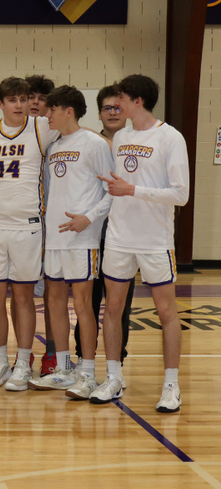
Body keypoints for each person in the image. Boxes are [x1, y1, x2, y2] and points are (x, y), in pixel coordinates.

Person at [91, 75, 189, 413]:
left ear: (138, 101)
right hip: (119, 237)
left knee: (166, 312)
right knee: (113, 310)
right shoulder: (120, 137)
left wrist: (133, 190)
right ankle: (114, 377)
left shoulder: (170, 137)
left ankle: (171, 386)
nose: (117, 104)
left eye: (121, 98)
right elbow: (116, 186)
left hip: (154, 240)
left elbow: (181, 194)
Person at [27, 86, 113, 398]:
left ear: (68, 111)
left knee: (83, 305)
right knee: (53, 302)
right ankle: (64, 369)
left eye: (51, 110)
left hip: (83, 238)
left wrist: (88, 218)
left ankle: (87, 373)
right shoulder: (53, 147)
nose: (46, 115)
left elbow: (111, 192)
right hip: (55, 239)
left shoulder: (94, 144)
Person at [0, 77, 59, 392]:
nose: (18, 105)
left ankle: (23, 362)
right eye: (11, 99)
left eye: (23, 99)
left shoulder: (41, 127)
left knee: (24, 296)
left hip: (27, 224)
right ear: (0, 103)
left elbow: (77, 130)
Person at [75, 86, 136, 371]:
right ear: (99, 112)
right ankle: (82, 358)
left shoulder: (137, 143)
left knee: (118, 303)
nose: (112, 112)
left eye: (117, 107)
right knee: (86, 299)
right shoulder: (87, 142)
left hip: (124, 234)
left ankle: (117, 361)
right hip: (91, 231)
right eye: (107, 108)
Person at [25, 74, 58, 377]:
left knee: (52, 294)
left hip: (54, 226)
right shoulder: (7, 133)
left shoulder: (61, 136)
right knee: (19, 293)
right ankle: (15, 353)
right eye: (30, 96)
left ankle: (52, 352)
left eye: (41, 98)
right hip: (20, 222)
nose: (35, 102)